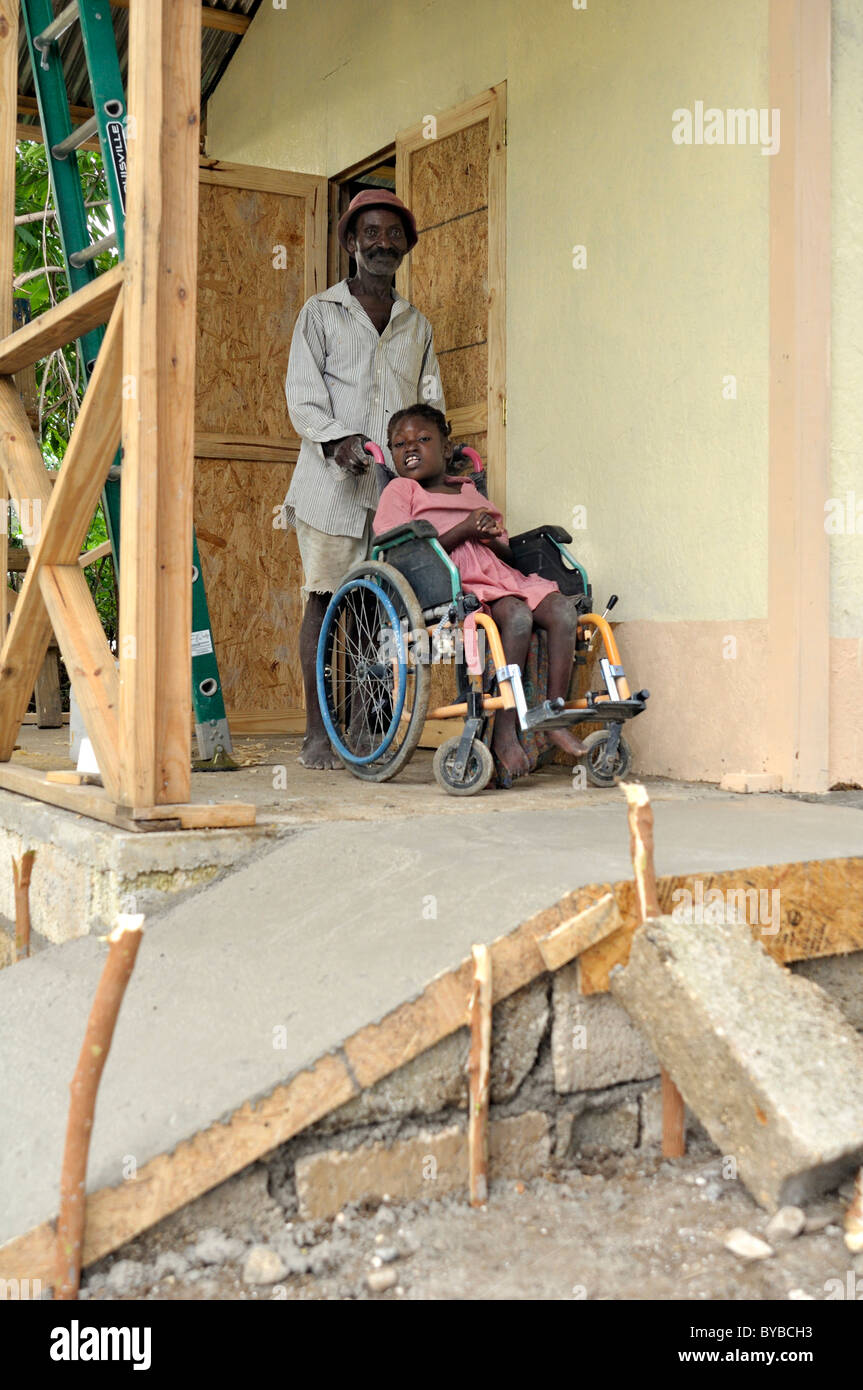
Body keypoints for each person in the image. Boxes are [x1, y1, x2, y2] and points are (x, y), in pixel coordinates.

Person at [282, 190, 444, 769]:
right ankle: (316, 732)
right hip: (330, 489)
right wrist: (339, 439)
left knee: (379, 608)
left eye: (393, 235)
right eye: (370, 233)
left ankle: (363, 723)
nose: (383, 243)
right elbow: (302, 396)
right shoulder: (321, 313)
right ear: (351, 243)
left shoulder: (415, 324)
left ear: (405, 247)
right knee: (325, 603)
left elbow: (429, 402)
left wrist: (434, 460)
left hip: (392, 495)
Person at [374, 404, 588, 782]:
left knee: (562, 612)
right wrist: (464, 531)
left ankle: (553, 715)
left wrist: (488, 534)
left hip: (499, 574)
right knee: (518, 618)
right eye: (399, 443)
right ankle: (505, 730)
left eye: (423, 439)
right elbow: (400, 548)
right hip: (448, 581)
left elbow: (507, 553)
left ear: (447, 447)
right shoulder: (400, 490)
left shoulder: (471, 492)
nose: (411, 448)